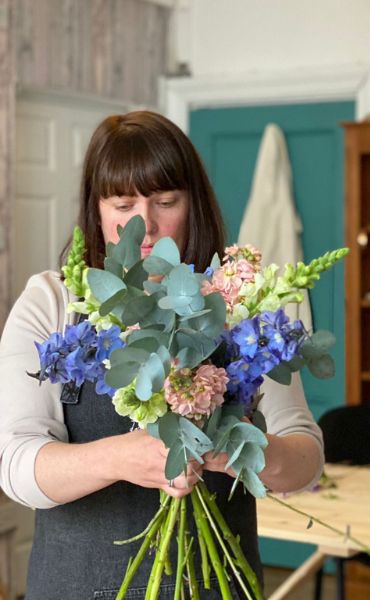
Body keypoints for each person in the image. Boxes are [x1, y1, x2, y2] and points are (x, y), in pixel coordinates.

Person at [0, 111, 324, 600]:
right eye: (122, 203)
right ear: (98, 208)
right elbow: (16, 466)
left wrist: (240, 450)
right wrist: (122, 458)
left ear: (194, 204)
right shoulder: (53, 302)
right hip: (76, 585)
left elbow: (307, 460)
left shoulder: (239, 303)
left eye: (166, 201)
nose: (145, 225)